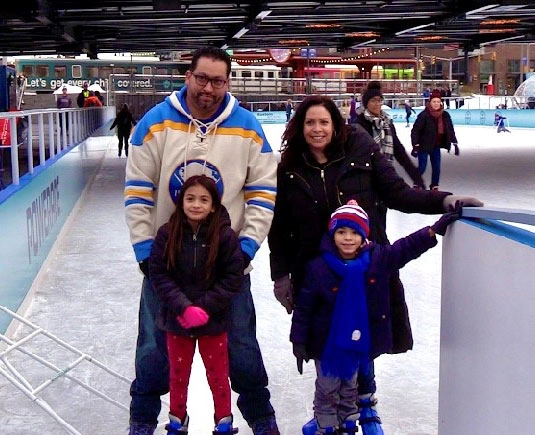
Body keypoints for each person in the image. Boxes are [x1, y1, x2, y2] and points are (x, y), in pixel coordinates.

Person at [267, 95, 482, 435]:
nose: (317, 129)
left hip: (366, 270)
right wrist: (281, 276)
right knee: (326, 343)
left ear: (336, 125)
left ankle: (365, 406)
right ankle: (331, 413)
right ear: (300, 127)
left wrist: (445, 200)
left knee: (362, 339)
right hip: (319, 275)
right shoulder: (290, 167)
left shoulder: (360, 150)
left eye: (324, 122)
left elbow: (399, 194)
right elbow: (280, 229)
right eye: (310, 123)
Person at [125, 46, 279, 435]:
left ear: (227, 82)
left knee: (242, 345)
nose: (208, 88)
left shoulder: (247, 127)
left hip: (226, 267)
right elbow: (138, 193)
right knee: (154, 349)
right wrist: (146, 252)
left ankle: (260, 416)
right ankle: (143, 418)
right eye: (202, 78)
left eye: (218, 80)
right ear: (188, 76)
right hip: (167, 267)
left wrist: (244, 249)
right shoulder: (155, 124)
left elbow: (262, 192)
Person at [291, 200, 460, 434]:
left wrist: (433, 230)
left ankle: (348, 424)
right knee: (328, 389)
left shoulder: (377, 259)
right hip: (326, 345)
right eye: (341, 232)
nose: (348, 238)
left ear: (364, 236)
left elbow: (405, 248)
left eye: (354, 232)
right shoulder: (319, 267)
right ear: (332, 234)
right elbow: (304, 308)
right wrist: (298, 341)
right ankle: (327, 426)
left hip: (355, 343)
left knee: (350, 387)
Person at [149, 175, 243, 434]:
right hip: (177, 321)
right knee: (178, 375)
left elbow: (233, 276)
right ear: (181, 202)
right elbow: (158, 273)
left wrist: (204, 308)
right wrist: (183, 307)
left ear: (214, 205)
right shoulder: (168, 234)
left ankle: (223, 420)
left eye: (204, 199)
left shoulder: (224, 236)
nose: (196, 205)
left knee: (218, 375)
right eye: (190, 199)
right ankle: (177, 419)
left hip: (213, 322)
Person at [355, 81, 424, 191]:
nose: (377, 104)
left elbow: (398, 150)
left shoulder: (387, 123)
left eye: (379, 100)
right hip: (365, 176)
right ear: (366, 103)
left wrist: (414, 175)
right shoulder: (359, 124)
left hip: (384, 173)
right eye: (373, 101)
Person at [410, 90, 459, 191]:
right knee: (422, 166)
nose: (436, 104)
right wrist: (415, 145)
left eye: (438, 102)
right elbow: (415, 130)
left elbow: (450, 129)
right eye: (434, 102)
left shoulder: (445, 115)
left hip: (436, 145)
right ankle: (417, 183)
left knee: (437, 167)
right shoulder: (424, 115)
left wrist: (455, 143)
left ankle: (434, 185)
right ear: (430, 103)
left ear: (441, 103)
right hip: (423, 145)